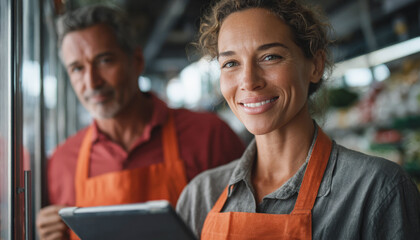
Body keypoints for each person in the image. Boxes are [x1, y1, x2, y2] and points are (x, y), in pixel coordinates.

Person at [176, 0, 420, 239]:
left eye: (270, 57)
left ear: (315, 65)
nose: (249, 81)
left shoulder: (376, 190)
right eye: (230, 63)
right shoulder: (200, 196)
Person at [35, 4, 245, 240]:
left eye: (104, 60)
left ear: (136, 60)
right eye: (77, 68)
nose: (92, 82)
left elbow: (243, 225)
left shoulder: (209, 135)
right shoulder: (62, 162)